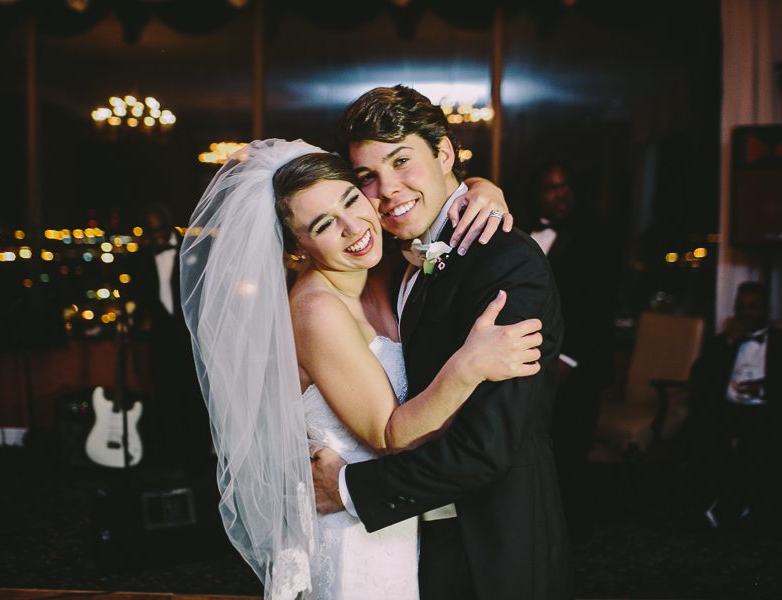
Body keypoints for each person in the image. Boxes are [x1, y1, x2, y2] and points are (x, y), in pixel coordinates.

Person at [180, 139, 537, 599]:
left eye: (350, 199)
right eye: (324, 224)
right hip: (355, 540)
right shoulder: (316, 311)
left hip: (398, 520)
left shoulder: (381, 269)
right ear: (297, 249)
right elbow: (390, 435)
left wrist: (481, 188)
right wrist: (468, 366)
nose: (353, 227)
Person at [312, 85, 572, 599]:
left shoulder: (505, 260)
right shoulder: (396, 256)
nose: (388, 190)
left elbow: (487, 447)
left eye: (401, 161)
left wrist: (347, 488)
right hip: (419, 538)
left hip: (490, 544)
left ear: (445, 153)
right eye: (368, 176)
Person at [527, 162, 617, 546]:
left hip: (578, 365)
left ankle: (573, 536)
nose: (560, 193)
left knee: (572, 449)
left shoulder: (595, 236)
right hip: (531, 359)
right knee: (537, 449)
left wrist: (569, 358)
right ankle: (540, 530)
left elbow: (599, 304)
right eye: (551, 187)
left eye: (565, 186)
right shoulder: (522, 235)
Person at [686, 281, 782, 528]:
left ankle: (731, 505)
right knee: (701, 435)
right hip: (727, 410)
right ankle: (731, 501)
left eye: (753, 307)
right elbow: (699, 380)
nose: (745, 313)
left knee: (760, 443)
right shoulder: (721, 342)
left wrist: (764, 388)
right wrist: (728, 344)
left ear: (767, 311)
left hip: (769, 410)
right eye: (740, 307)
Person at [130, 203, 210, 470]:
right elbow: (138, 296)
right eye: (151, 232)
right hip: (160, 338)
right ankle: (173, 458)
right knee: (165, 397)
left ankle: (200, 458)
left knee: (194, 397)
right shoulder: (140, 258)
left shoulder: (193, 249)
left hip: (192, 337)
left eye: (160, 230)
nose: (157, 237)